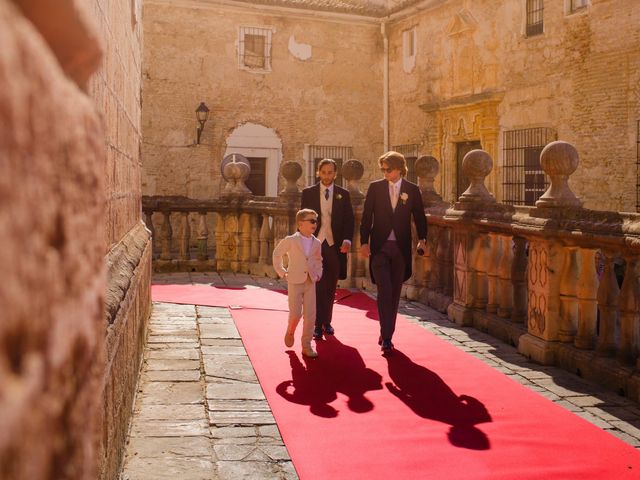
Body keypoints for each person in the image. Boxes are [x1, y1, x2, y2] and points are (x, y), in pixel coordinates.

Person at [359, 151, 427, 353]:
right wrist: (364, 242)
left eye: (388, 169)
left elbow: (420, 217)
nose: (385, 173)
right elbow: (366, 217)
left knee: (395, 293)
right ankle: (387, 337)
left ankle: (386, 332)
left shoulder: (412, 190)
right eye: (383, 169)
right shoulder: (375, 188)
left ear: (399, 168)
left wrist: (422, 239)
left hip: (401, 248)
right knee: (384, 292)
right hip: (379, 248)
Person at [301, 158, 355, 340]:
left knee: (331, 285)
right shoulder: (308, 193)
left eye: (330, 172)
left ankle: (327, 322)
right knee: (315, 285)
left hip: (334, 245)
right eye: (323, 172)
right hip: (315, 243)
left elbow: (349, 220)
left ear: (335, 174)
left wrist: (347, 240)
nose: (326, 176)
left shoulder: (343, 194)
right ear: (318, 172)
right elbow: (302, 220)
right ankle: (316, 324)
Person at [273, 208, 323, 358]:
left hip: (310, 281)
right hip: (294, 280)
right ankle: (290, 330)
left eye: (316, 221)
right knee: (296, 314)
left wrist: (319, 273)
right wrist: (282, 272)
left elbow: (319, 260)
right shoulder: (291, 240)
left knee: (310, 315)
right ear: (300, 224)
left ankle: (306, 345)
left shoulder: (317, 242)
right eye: (311, 221)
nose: (315, 223)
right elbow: (277, 254)